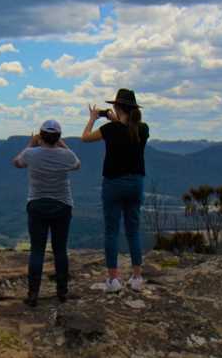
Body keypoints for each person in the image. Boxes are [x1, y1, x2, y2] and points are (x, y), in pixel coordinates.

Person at [81, 88, 149, 292]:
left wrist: (94, 118)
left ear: (117, 107)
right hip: (136, 183)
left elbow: (85, 138)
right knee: (133, 230)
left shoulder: (110, 130)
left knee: (111, 232)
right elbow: (126, 131)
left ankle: (114, 280)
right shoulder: (143, 128)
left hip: (113, 184)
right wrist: (114, 119)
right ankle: (137, 278)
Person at [12, 119, 81, 307]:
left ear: (41, 136)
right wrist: (61, 143)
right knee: (60, 250)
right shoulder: (65, 155)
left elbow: (17, 162)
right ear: (58, 137)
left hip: (37, 206)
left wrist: (31, 143)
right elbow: (77, 164)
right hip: (62, 206)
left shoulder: (31, 154)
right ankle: (62, 292)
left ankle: (33, 294)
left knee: (37, 250)